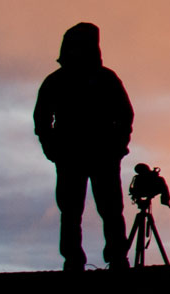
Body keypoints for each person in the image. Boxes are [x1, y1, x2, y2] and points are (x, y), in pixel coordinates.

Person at [33, 22, 134, 271]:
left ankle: (115, 256)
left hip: (100, 155)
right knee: (72, 210)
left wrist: (118, 145)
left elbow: (124, 115)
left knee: (108, 209)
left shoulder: (105, 78)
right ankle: (76, 259)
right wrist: (52, 148)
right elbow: (42, 119)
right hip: (73, 156)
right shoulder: (58, 81)